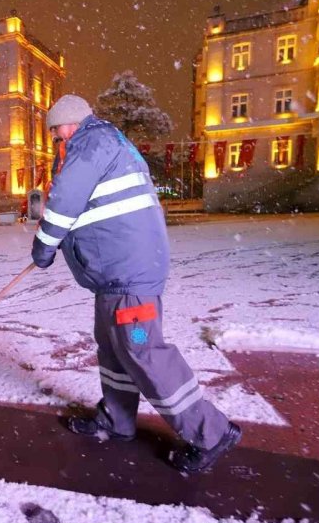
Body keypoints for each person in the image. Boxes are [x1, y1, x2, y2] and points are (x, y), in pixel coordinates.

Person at [31, 94, 241, 473]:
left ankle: (210, 431)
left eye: (56, 133)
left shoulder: (93, 143)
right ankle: (117, 419)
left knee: (143, 351)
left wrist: (43, 248)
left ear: (68, 124)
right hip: (114, 276)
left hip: (128, 279)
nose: (57, 142)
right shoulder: (107, 143)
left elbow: (63, 204)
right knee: (114, 350)